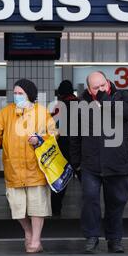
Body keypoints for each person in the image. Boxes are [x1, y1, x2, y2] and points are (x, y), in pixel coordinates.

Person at [0, 79, 57, 253]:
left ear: (29, 94)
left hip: (36, 168)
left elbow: (53, 134)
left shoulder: (42, 112)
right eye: (15, 93)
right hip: (14, 169)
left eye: (20, 93)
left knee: (37, 207)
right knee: (17, 208)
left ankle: (35, 241)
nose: (16, 96)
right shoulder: (6, 112)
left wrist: (39, 139)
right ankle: (28, 232)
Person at [70, 71, 128, 253]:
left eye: (103, 85)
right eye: (96, 88)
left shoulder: (123, 97)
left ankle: (114, 239)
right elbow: (75, 137)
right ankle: (92, 237)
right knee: (90, 200)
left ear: (108, 82)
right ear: (89, 89)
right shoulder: (80, 105)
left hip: (118, 163)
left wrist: (105, 101)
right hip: (90, 164)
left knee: (115, 202)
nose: (100, 89)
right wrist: (76, 163)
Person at [50, 80, 79, 218]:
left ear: (60, 93)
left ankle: (56, 210)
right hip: (81, 149)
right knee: (88, 182)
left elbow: (52, 126)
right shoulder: (82, 104)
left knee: (61, 180)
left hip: (64, 148)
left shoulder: (59, 106)